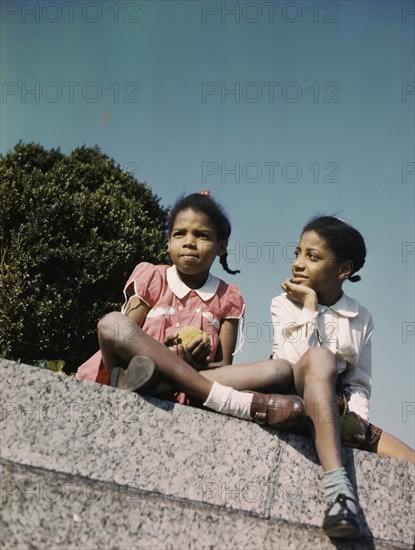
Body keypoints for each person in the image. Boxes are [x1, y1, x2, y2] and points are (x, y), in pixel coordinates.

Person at [78, 192, 304, 429]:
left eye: (202, 235)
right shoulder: (153, 276)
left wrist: (195, 361)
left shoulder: (228, 296)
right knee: (112, 323)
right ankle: (231, 402)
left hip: (197, 376)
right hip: (134, 368)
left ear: (221, 246)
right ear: (169, 240)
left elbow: (224, 364)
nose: (189, 241)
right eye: (179, 234)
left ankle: (164, 386)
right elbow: (123, 340)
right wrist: (163, 353)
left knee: (280, 370)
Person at [270, 215, 414, 539]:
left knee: (409, 460)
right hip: (292, 395)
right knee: (318, 360)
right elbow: (290, 362)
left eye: (312, 256)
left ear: (343, 270)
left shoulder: (362, 317)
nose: (298, 263)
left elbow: (359, 383)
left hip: (338, 408)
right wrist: (308, 307)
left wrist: (358, 421)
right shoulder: (284, 303)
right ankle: (338, 494)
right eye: (297, 253)